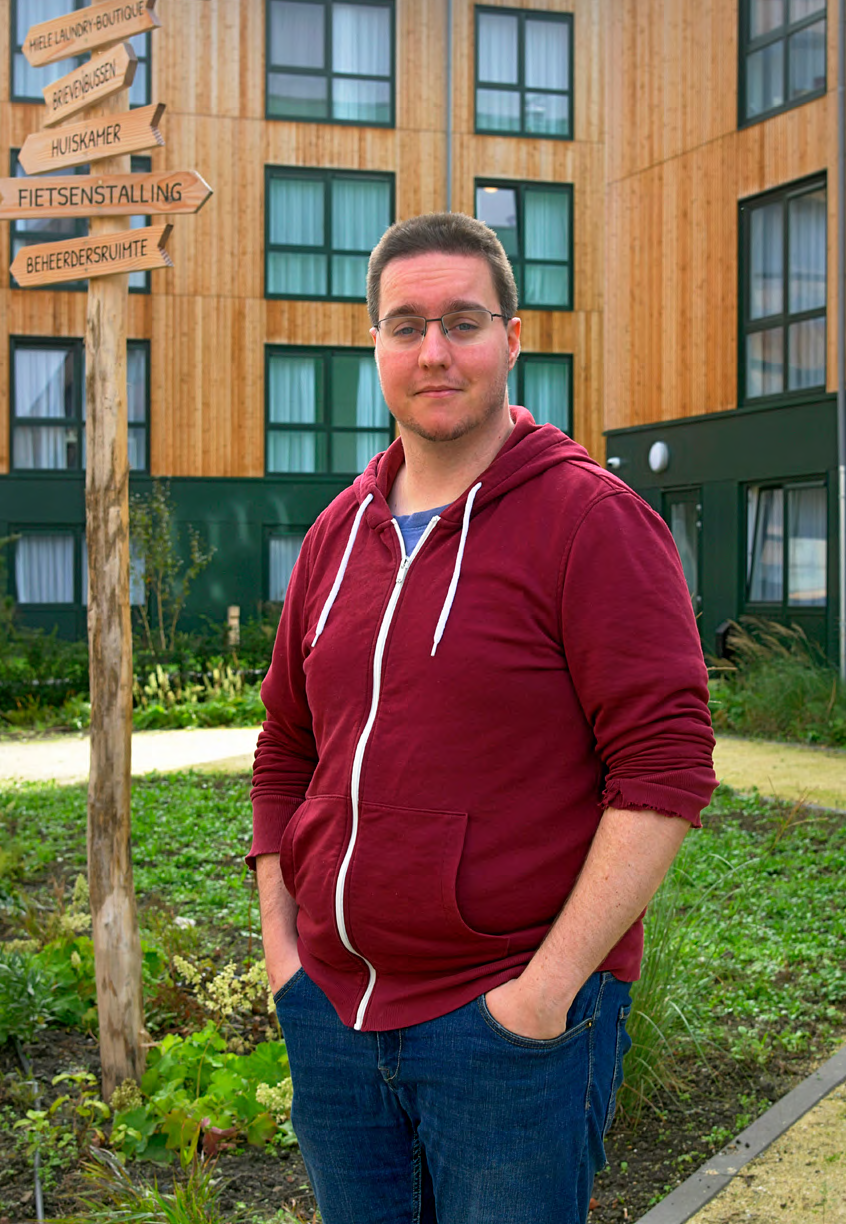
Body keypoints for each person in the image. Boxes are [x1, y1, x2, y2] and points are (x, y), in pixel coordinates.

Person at [249, 211, 717, 1223]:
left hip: (505, 1025)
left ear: (515, 335)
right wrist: (285, 952)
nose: (434, 351)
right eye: (406, 324)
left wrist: (541, 996)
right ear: (372, 342)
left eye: (463, 320)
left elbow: (666, 767)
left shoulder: (590, 521)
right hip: (334, 1009)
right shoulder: (338, 532)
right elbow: (285, 745)